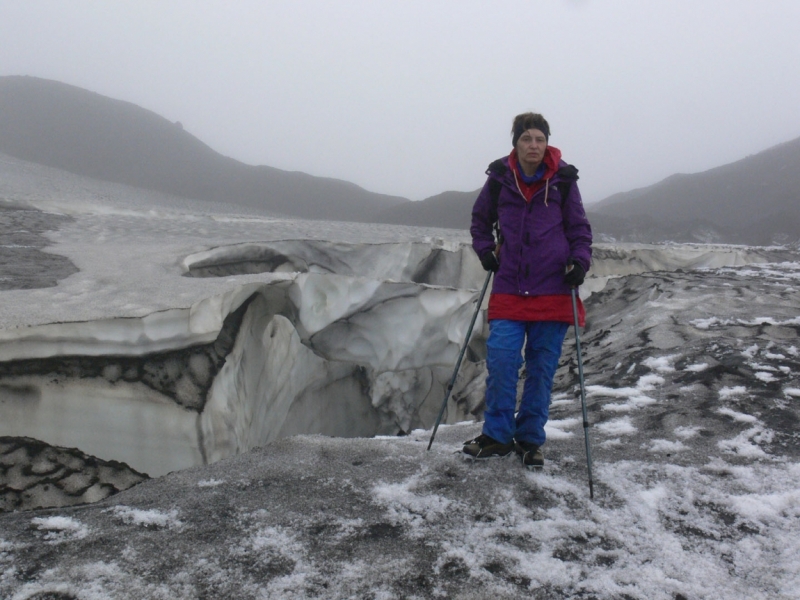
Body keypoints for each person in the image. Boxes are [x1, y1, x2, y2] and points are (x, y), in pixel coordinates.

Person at [464, 112, 592, 467]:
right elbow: (479, 220)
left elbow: (580, 230)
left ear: (547, 142)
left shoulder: (564, 181)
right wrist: (485, 250)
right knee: (503, 360)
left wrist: (580, 263)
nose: (533, 145)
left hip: (553, 288)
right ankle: (497, 436)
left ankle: (530, 439)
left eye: (539, 138)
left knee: (540, 368)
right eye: (526, 139)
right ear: (515, 143)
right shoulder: (500, 179)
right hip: (509, 286)